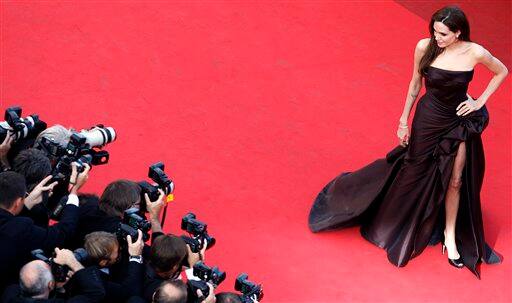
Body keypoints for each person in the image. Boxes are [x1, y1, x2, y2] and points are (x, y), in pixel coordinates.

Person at [308, 5, 508, 278]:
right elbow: (415, 83)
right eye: (434, 31)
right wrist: (403, 120)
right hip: (428, 118)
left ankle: (450, 237)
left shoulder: (475, 52)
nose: (437, 37)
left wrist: (479, 101)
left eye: (443, 34)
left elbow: (502, 71)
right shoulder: (425, 47)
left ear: (458, 33)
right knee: (413, 169)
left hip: (459, 120)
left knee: (456, 179)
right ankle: (389, 213)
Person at [0, 165, 89, 292]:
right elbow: (63, 233)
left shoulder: (15, 224)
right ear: (18, 201)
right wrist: (74, 192)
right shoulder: (21, 228)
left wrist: (27, 203)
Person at [0, 248, 105, 302]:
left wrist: (57, 288)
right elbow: (95, 292)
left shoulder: (9, 294)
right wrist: (72, 261)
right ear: (50, 284)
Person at [82, 231, 145, 302]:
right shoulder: (98, 283)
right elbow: (131, 292)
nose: (121, 249)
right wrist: (135, 257)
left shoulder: (91, 260)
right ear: (103, 262)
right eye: (117, 252)